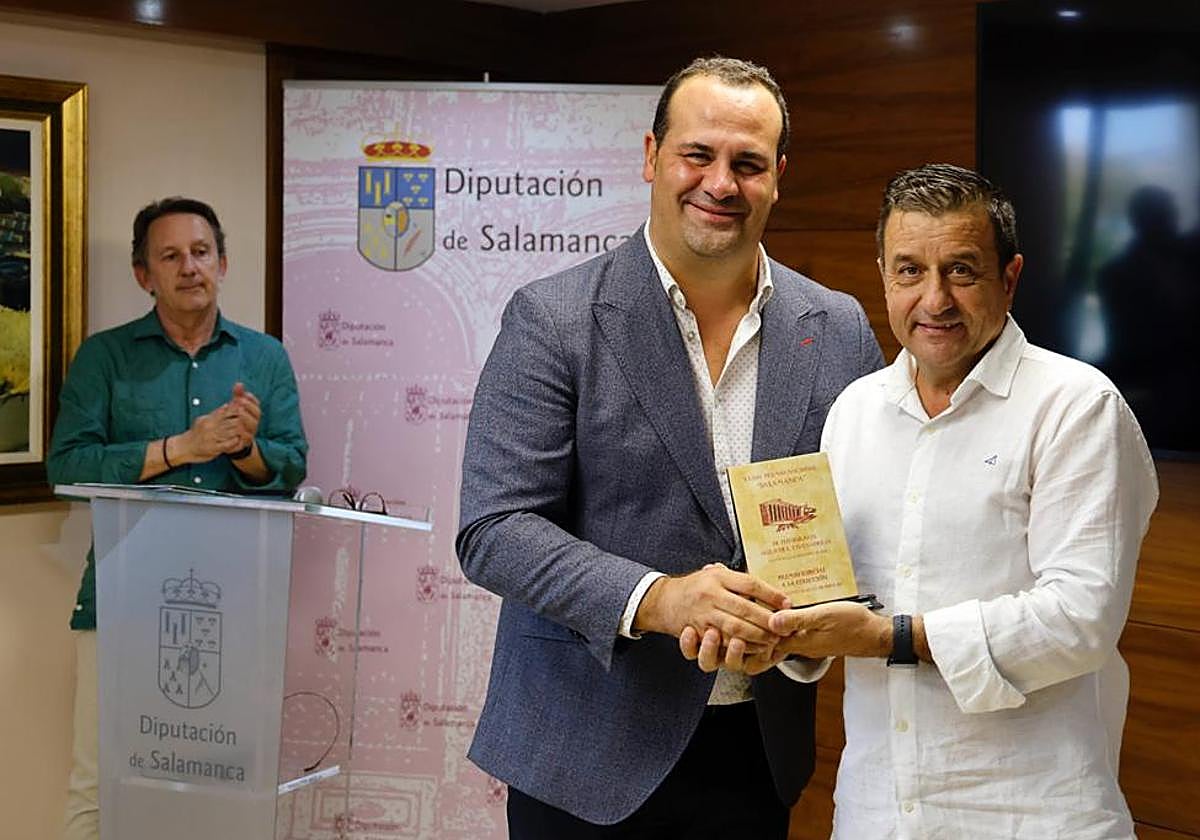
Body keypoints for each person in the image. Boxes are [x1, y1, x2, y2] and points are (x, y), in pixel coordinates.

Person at [456, 57, 882, 838]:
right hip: (583, 757)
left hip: (757, 756)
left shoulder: (839, 328)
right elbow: (495, 529)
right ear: (652, 156)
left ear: (778, 177)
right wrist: (661, 599)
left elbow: (864, 525)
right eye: (698, 155)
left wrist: (804, 634)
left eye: (748, 163)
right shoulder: (552, 319)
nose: (721, 183)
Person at [686, 163, 1157, 839]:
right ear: (883, 276)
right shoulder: (855, 411)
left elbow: (1079, 619)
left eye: (961, 270)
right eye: (910, 271)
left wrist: (892, 637)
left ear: (1010, 277)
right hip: (878, 812)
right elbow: (834, 595)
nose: (934, 299)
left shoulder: (1076, 408)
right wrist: (776, 633)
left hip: (1032, 814)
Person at [47, 197, 308, 840]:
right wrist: (179, 449)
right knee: (99, 785)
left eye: (201, 252)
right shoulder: (105, 357)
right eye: (170, 256)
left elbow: (290, 467)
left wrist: (243, 450)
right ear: (144, 275)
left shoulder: (264, 358)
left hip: (233, 610)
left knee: (221, 786)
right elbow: (67, 465)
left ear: (223, 262)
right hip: (121, 602)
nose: (189, 267)